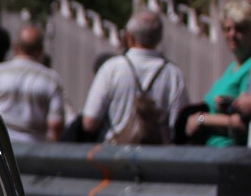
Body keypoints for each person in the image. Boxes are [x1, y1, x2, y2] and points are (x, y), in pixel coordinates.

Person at [79, 9, 188, 145]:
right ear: (160, 38)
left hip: (115, 154)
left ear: (130, 37)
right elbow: (179, 124)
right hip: (157, 157)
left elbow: (89, 123)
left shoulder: (111, 68)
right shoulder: (173, 74)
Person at [0, 23, 66, 144]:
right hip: (34, 149)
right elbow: (55, 125)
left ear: (15, 47)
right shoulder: (51, 79)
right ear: (40, 50)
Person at [181, 0, 251, 146]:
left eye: (240, 29)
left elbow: (244, 122)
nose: (232, 34)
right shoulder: (233, 67)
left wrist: (201, 119)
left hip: (230, 153)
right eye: (227, 29)